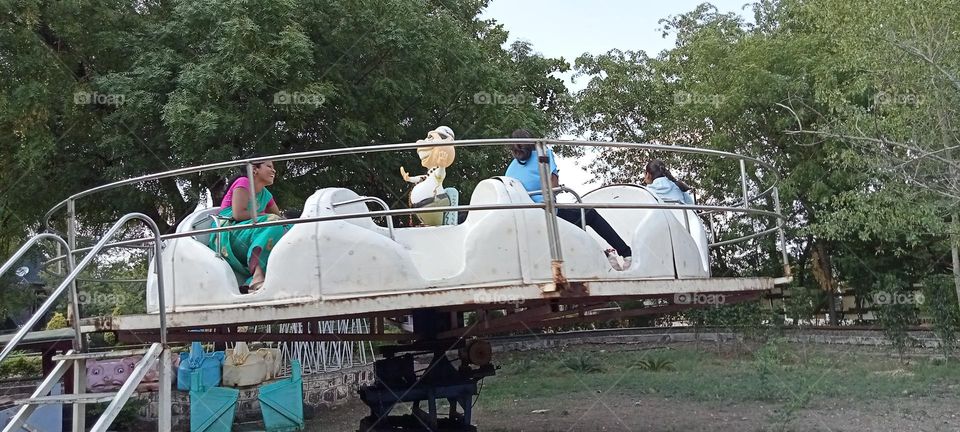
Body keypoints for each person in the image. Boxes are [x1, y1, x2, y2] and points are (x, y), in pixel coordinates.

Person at [504, 129, 633, 270]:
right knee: (589, 214)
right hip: (547, 214)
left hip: (526, 219)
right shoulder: (543, 154)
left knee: (573, 226)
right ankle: (626, 253)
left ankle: (606, 257)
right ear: (532, 142)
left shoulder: (510, 169)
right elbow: (554, 185)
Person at [209, 160, 290, 294]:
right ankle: (257, 277)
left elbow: (280, 219)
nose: (274, 170)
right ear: (254, 169)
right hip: (226, 231)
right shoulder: (243, 182)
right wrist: (266, 216)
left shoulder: (266, 194)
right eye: (269, 166)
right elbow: (238, 214)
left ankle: (251, 282)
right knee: (273, 221)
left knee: (288, 226)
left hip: (248, 230)